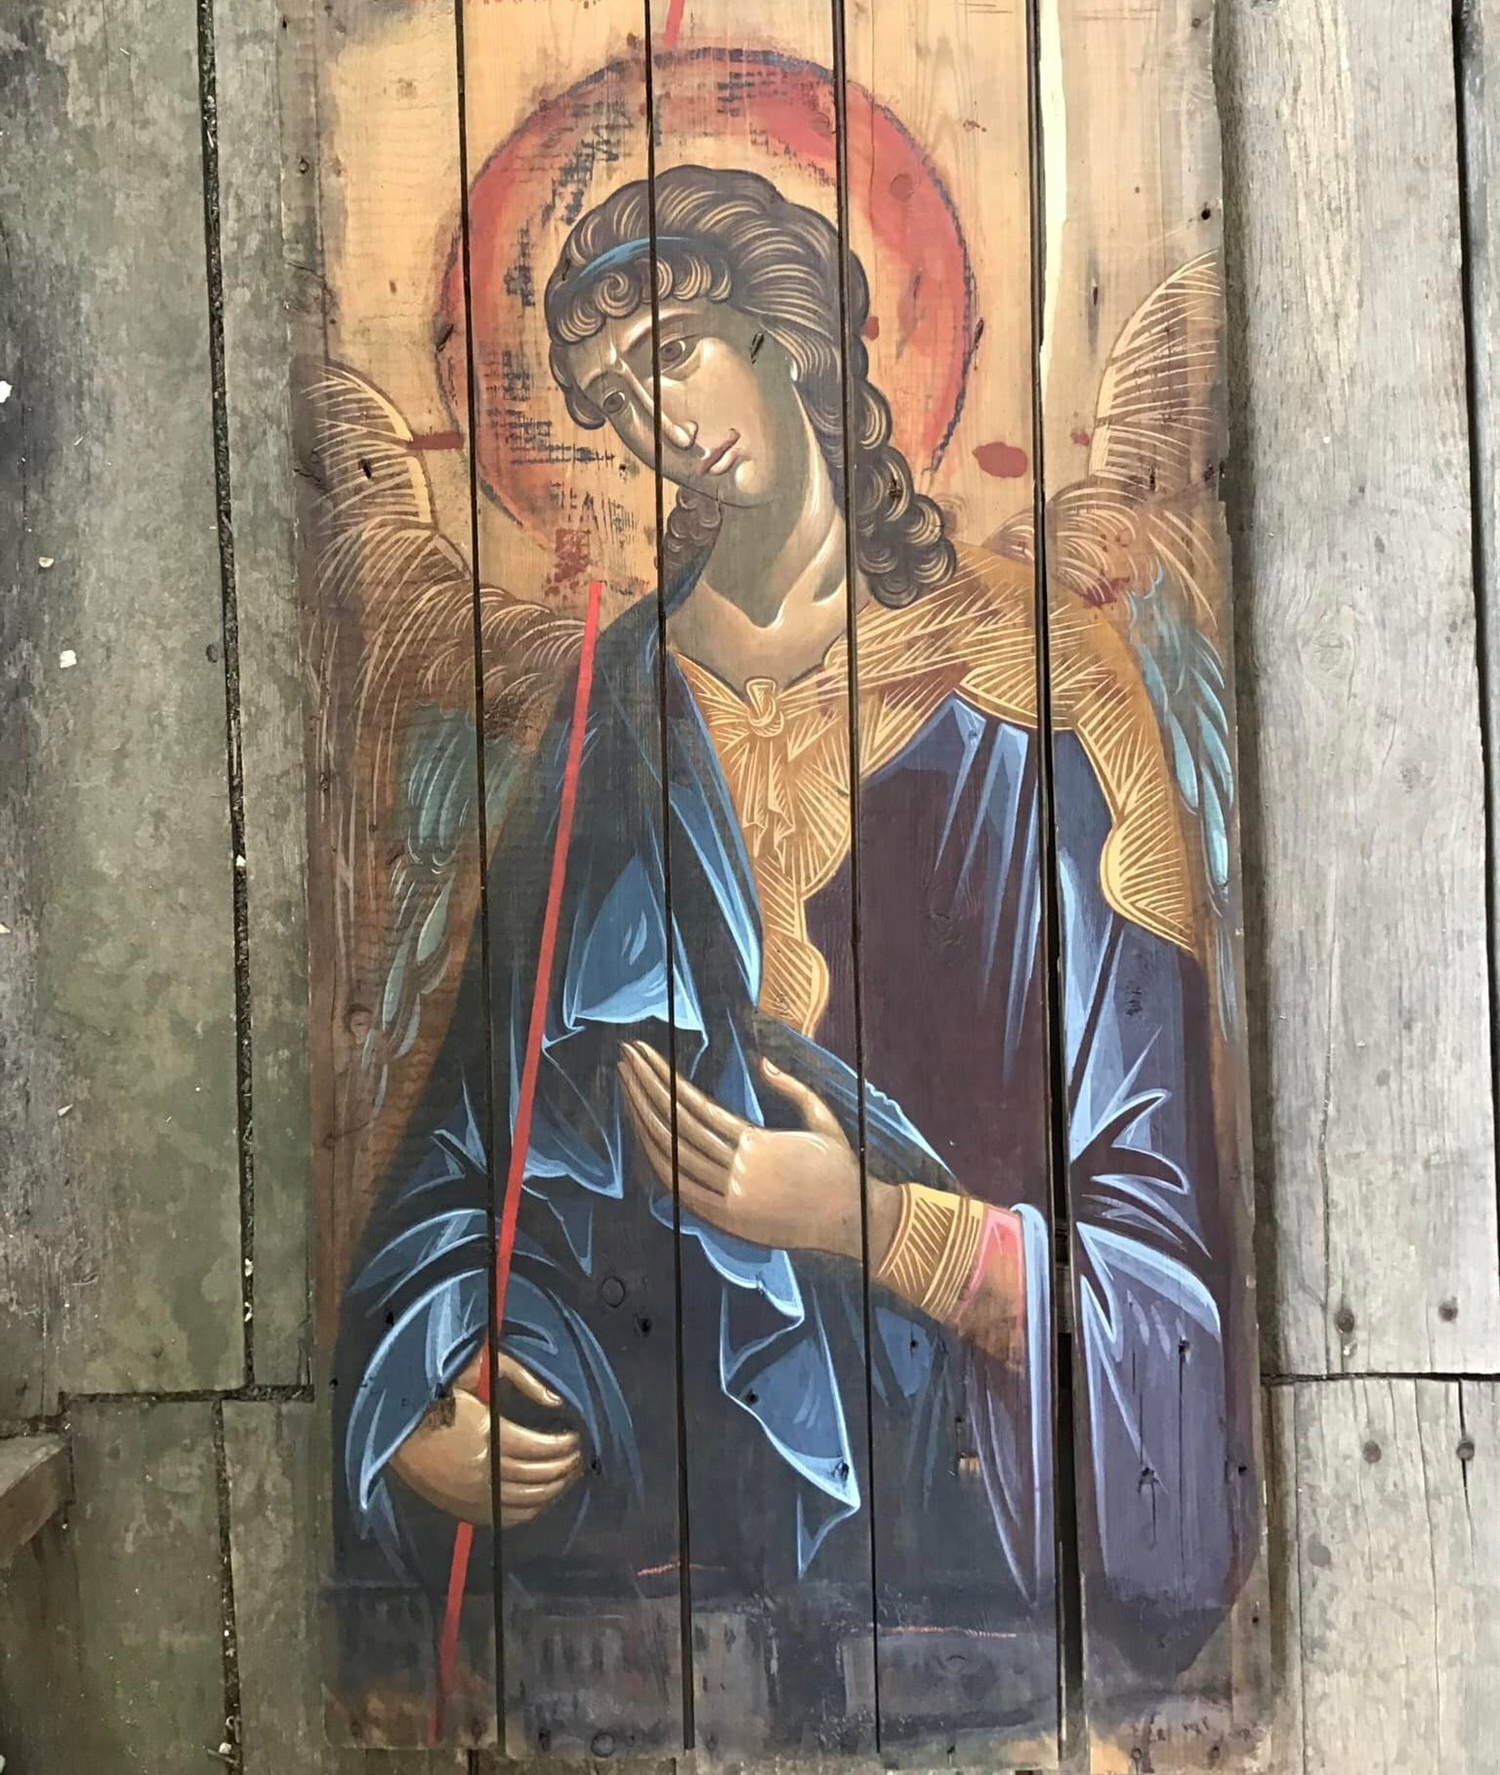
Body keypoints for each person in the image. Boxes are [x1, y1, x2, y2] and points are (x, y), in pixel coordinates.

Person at [334, 163, 1239, 1745]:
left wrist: (870, 1225)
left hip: (967, 1604)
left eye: (677, 351)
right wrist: (426, 1382)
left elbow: (1162, 1275)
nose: (656, 419)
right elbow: (477, 1149)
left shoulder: (1040, 700)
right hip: (640, 1597)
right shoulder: (617, 714)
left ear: (792, 336)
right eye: (614, 394)